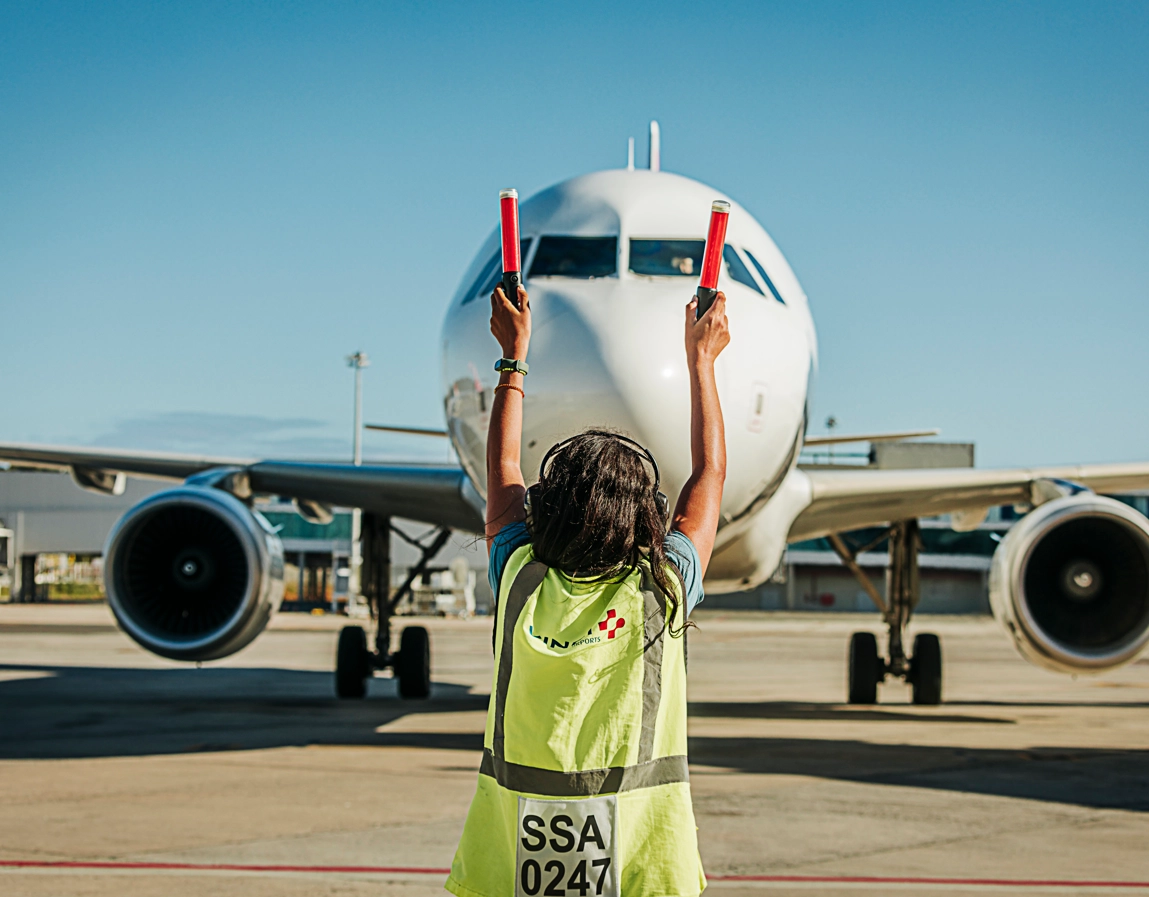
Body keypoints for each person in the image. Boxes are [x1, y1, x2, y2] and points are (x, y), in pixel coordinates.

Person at [446, 279, 730, 897]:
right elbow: (708, 477)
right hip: (643, 865)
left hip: (506, 867)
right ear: (646, 516)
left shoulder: (520, 580)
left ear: (546, 508)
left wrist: (512, 359)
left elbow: (503, 473)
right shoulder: (662, 590)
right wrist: (701, 361)